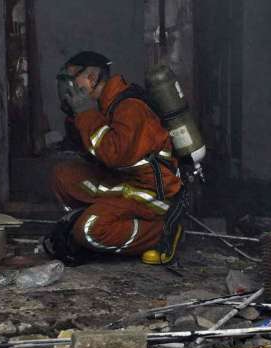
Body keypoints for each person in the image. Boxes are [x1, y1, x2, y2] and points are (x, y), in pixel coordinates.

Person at [48, 51, 183, 265]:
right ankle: (91, 223)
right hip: (125, 182)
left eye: (73, 79)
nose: (68, 87)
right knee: (63, 175)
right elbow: (95, 152)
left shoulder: (131, 107)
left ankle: (161, 232)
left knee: (90, 229)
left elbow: (114, 154)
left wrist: (84, 113)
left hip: (151, 194)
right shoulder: (105, 103)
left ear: (92, 78)